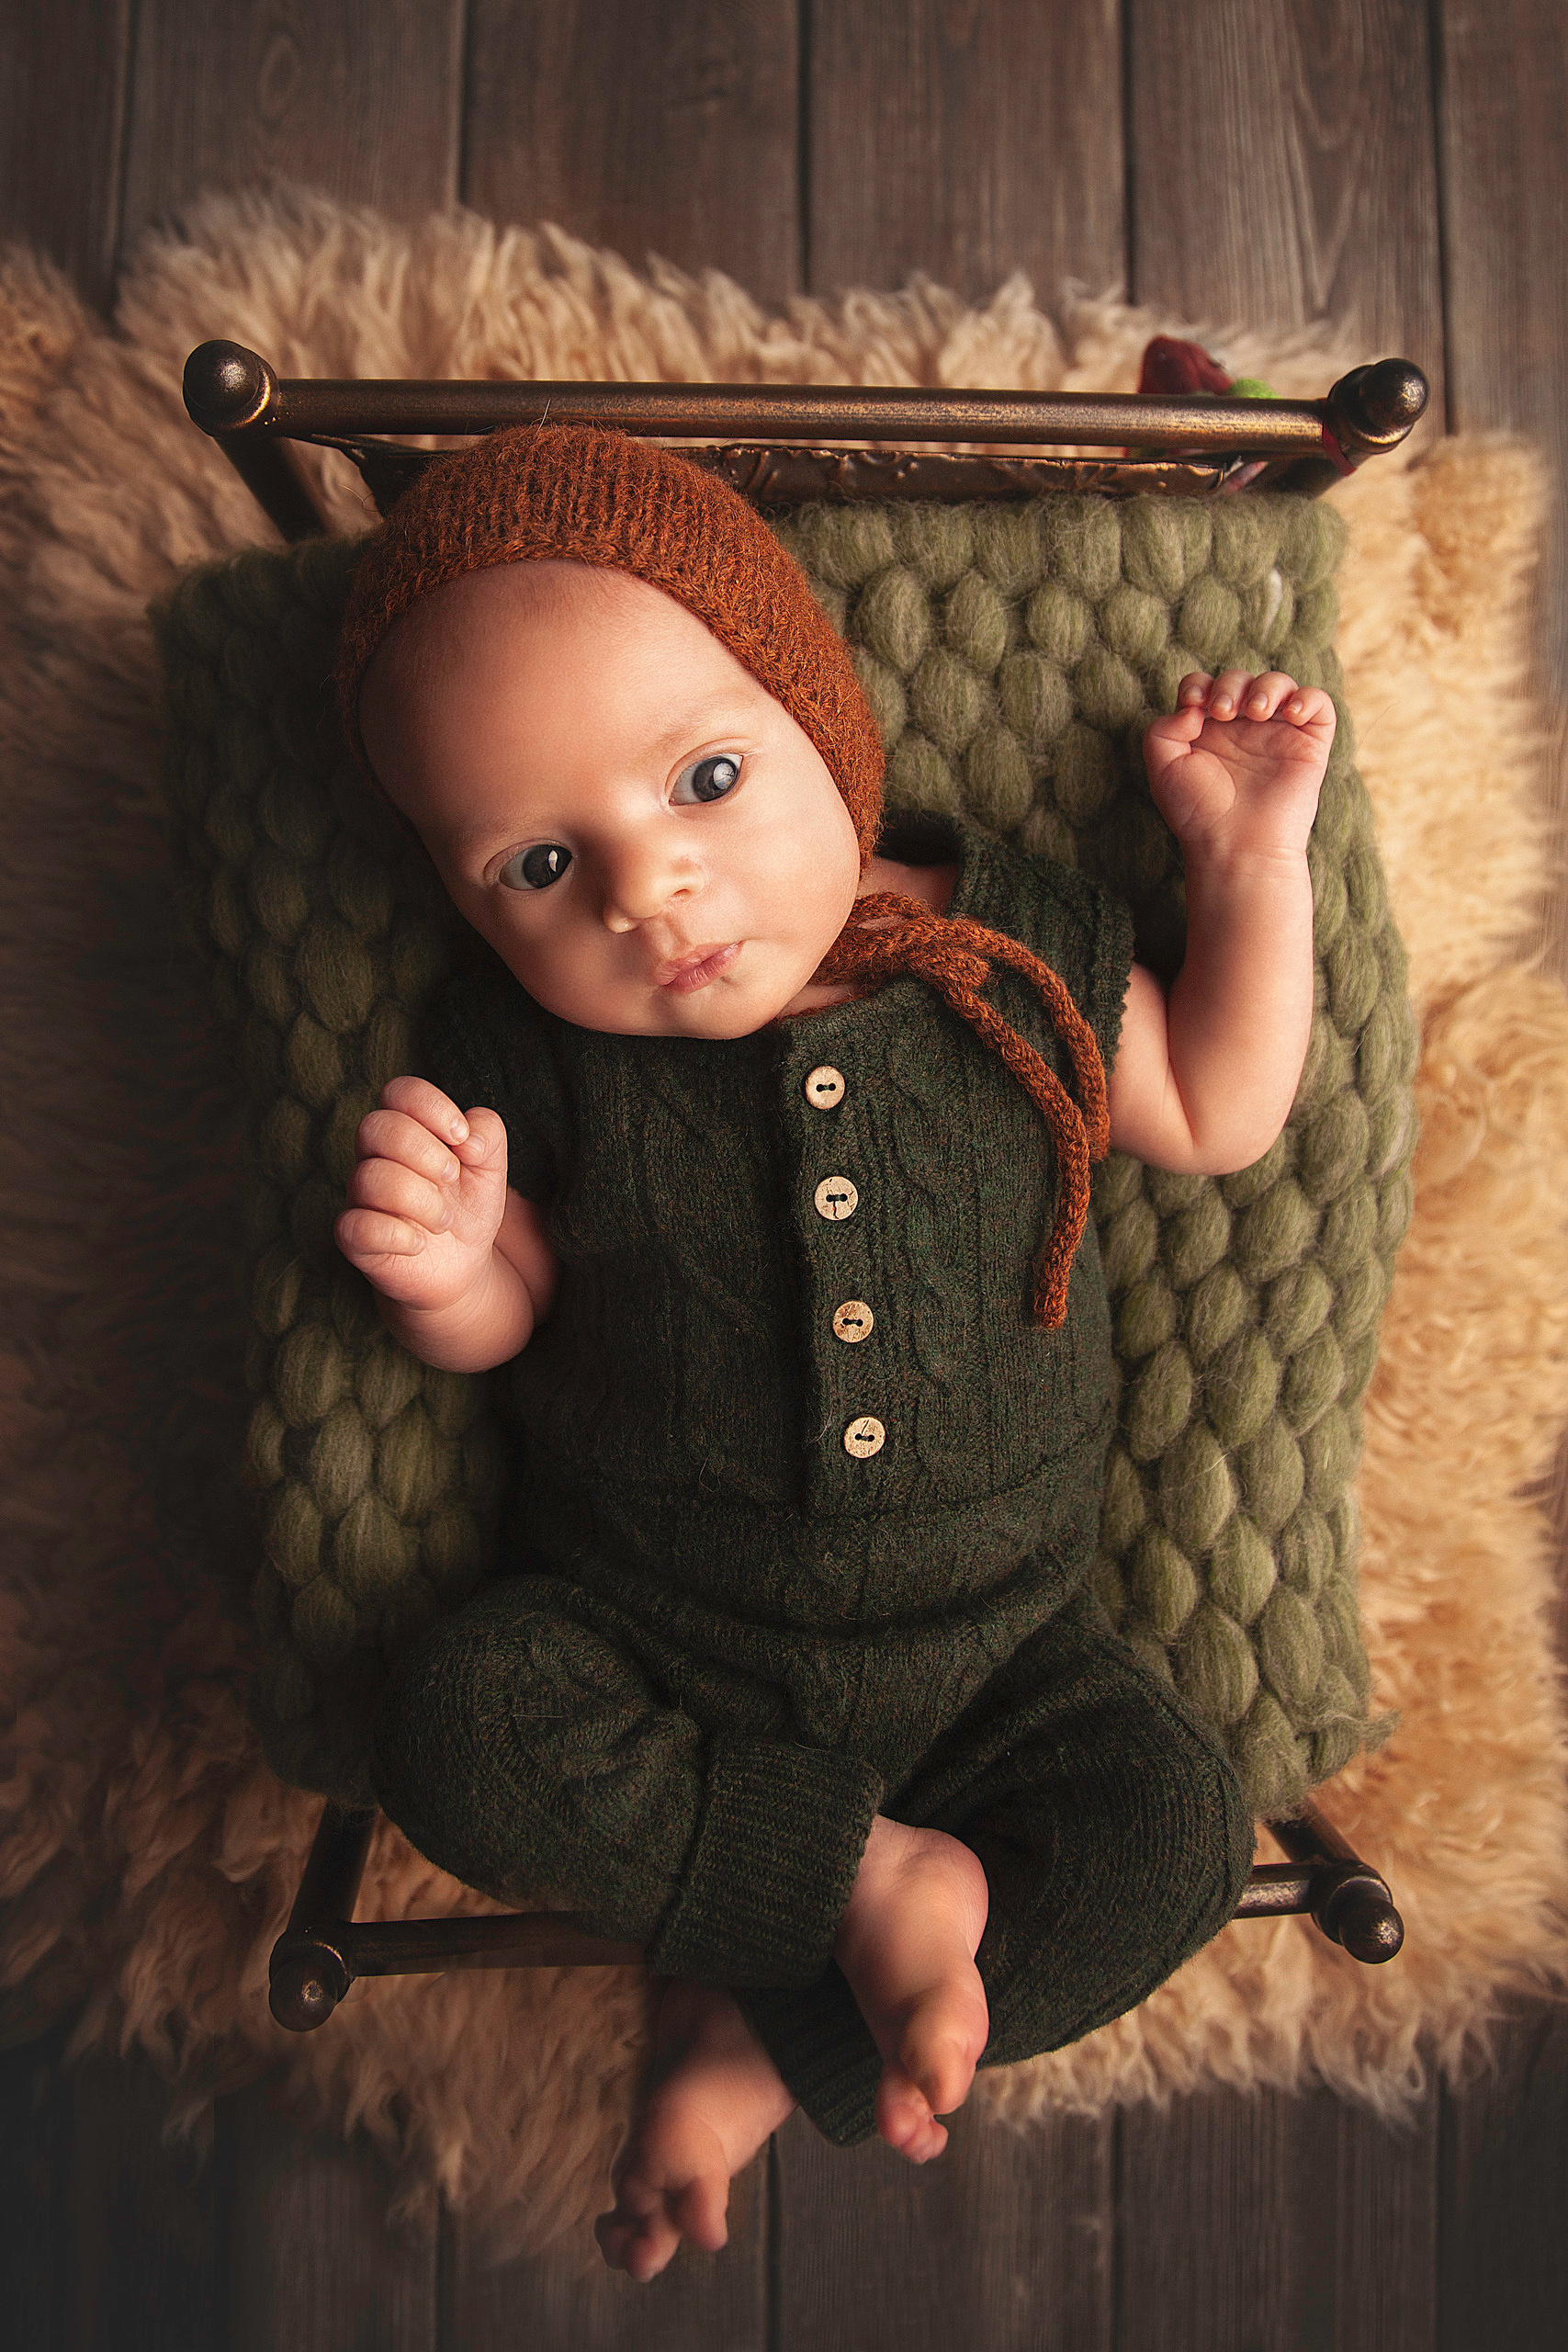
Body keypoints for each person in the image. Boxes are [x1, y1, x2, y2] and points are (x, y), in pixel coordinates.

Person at [332, 424, 1334, 2282]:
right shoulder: (530, 1048)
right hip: (656, 1637)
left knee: (1176, 1837)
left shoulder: (1009, 954)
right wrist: (449, 1262)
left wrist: (1250, 859)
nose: (648, 889)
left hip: (1004, 1648)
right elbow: (510, 1316)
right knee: (454, 1726)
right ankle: (865, 1885)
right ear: (468, 902)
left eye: (706, 779)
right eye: (539, 862)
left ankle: (765, 2036)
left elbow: (1215, 1101)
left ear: (822, 722)